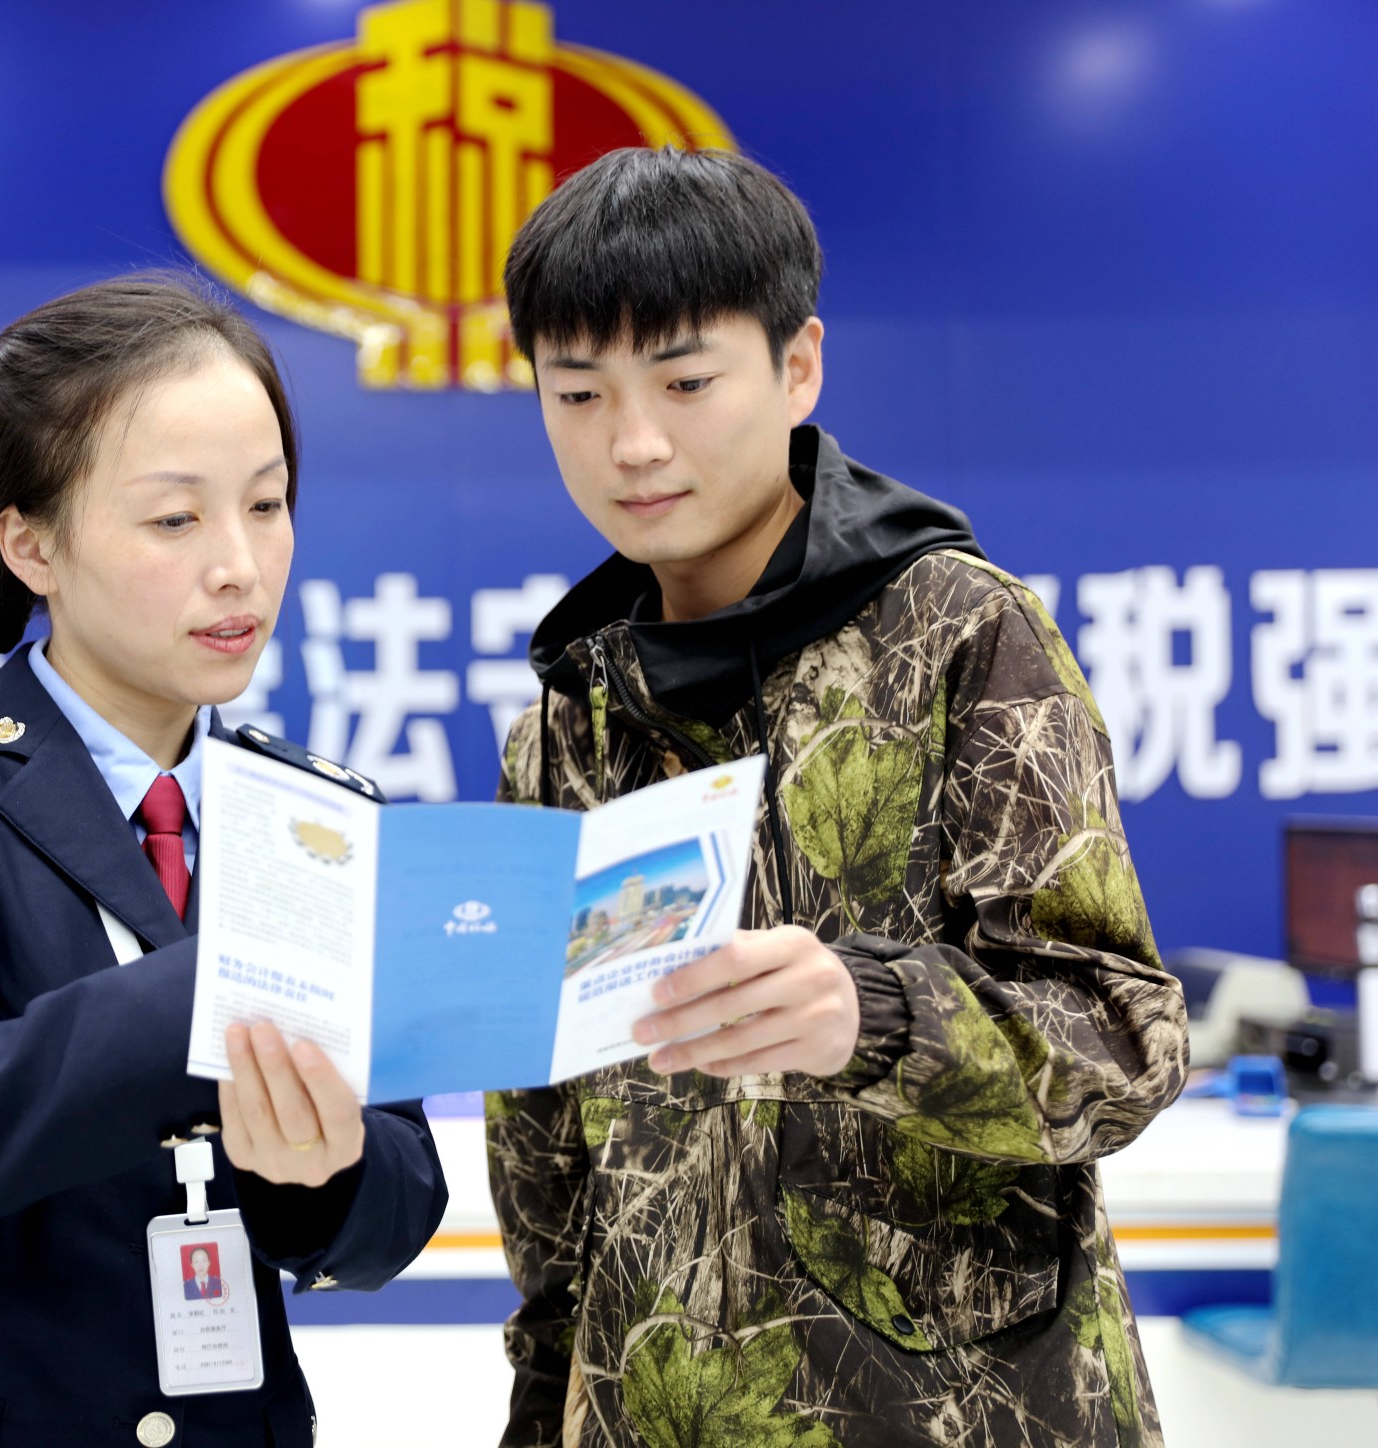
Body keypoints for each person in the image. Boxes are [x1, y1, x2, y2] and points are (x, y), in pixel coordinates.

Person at [485, 148, 1188, 1448]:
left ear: (798, 366)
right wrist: (541, 1404)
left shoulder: (960, 633)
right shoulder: (564, 723)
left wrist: (875, 1014)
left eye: (686, 382)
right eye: (577, 392)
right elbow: (545, 1141)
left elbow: (1122, 1042)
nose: (633, 442)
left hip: (961, 1412)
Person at [0, 274, 447, 1447]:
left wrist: (316, 1169)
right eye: (176, 519)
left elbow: (396, 1204)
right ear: (31, 542)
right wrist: (218, 983)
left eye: (267, 503)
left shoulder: (316, 815)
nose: (240, 565)